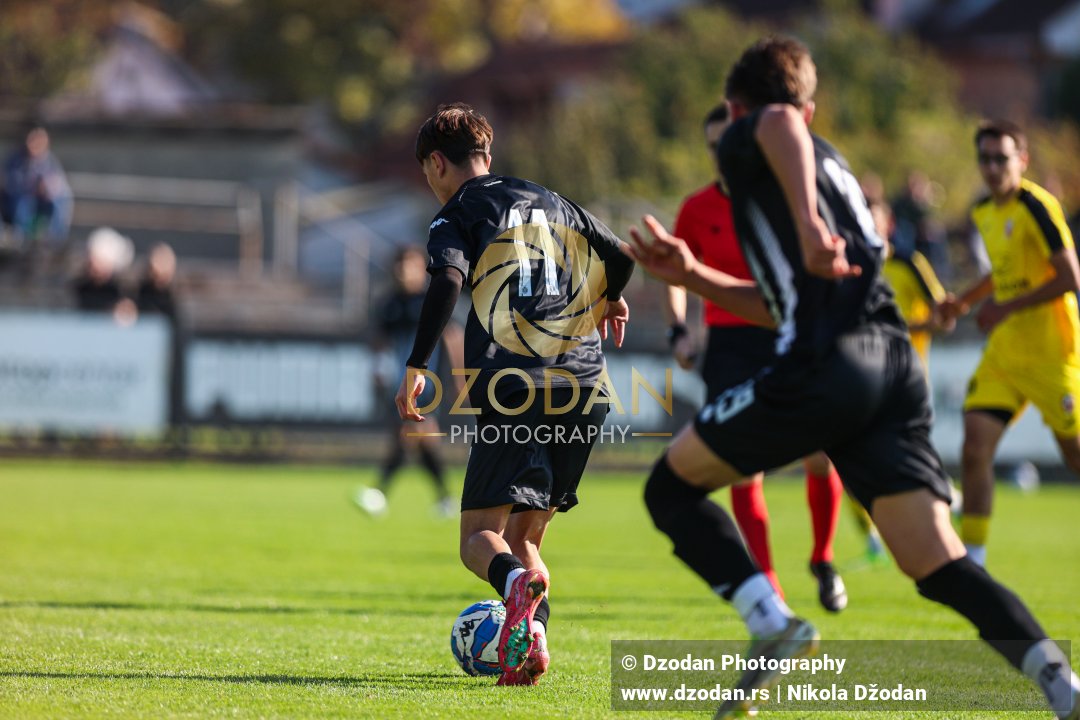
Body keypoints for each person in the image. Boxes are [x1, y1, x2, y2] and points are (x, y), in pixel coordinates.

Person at [625, 37, 1079, 719]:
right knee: (939, 565)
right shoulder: (828, 161)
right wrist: (694, 276)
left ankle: (771, 622)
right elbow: (786, 296)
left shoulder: (761, 134)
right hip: (890, 366)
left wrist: (806, 227)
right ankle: (1060, 681)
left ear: (734, 107)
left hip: (827, 362)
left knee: (669, 489)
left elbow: (777, 124)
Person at [397, 103, 633, 686]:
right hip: (584, 383)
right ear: (487, 154)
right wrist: (610, 297)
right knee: (526, 536)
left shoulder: (458, 211)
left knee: (481, 537)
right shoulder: (552, 199)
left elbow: (448, 278)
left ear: (436, 162)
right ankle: (532, 647)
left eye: (428, 173)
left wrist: (417, 363)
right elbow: (622, 257)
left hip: (515, 383)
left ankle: (513, 589)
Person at [663, 103, 847, 611]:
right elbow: (677, 273)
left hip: (787, 338)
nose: (723, 154)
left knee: (819, 453)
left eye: (730, 141)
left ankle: (823, 559)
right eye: (713, 145)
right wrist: (680, 330)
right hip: (728, 349)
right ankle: (770, 586)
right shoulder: (697, 208)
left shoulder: (785, 200)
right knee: (744, 469)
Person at [941, 120, 1080, 567]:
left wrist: (1006, 307)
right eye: (985, 158)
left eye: (1002, 158)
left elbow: (1069, 276)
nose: (992, 167)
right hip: (1005, 355)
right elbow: (1001, 276)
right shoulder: (983, 210)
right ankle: (973, 563)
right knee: (974, 447)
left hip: (1051, 352)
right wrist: (963, 301)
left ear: (1022, 160)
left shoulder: (1037, 206)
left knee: (1075, 457)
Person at [356, 246, 455, 518]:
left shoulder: (434, 297)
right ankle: (445, 499)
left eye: (408, 266)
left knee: (408, 435)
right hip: (400, 382)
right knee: (420, 440)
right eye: (398, 266)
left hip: (428, 382)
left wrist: (460, 376)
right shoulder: (389, 303)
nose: (402, 272)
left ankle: (379, 492)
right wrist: (377, 368)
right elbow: (379, 339)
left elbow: (453, 336)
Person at [1, 125, 72, 253]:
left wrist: (48, 189)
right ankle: (20, 239)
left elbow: (59, 184)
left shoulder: (50, 161)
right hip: (19, 201)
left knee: (60, 200)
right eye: (32, 139)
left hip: (42, 203)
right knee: (22, 200)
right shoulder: (15, 160)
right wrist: (31, 187)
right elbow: (10, 184)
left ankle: (56, 240)